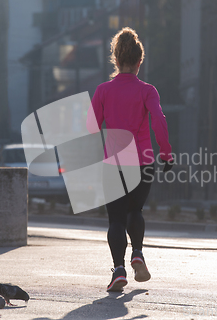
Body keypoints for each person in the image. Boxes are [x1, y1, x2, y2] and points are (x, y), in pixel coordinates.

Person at [87, 27, 173, 292]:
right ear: (139, 61)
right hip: (143, 160)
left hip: (113, 163)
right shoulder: (148, 90)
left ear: (115, 59)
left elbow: (90, 128)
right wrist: (166, 152)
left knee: (116, 219)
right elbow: (158, 120)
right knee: (136, 210)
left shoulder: (102, 91)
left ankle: (119, 270)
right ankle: (137, 252)